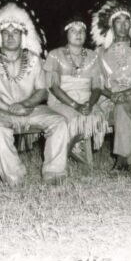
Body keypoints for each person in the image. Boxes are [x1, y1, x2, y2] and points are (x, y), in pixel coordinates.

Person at [0, 0, 70, 186]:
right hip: (0, 111)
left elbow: (42, 91)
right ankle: (14, 176)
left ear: (23, 36)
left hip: (30, 109)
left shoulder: (34, 59)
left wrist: (25, 104)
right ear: (0, 37)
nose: (11, 37)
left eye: (15, 32)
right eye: (6, 33)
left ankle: (54, 172)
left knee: (59, 121)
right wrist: (11, 108)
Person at [92, 0, 131, 173]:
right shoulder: (100, 53)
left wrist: (128, 92)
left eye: (127, 20)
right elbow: (96, 84)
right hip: (108, 102)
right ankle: (128, 162)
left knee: (123, 106)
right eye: (118, 21)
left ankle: (121, 162)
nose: (123, 25)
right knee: (119, 106)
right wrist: (111, 95)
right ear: (111, 25)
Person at [44, 15, 104, 165]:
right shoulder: (55, 55)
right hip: (61, 102)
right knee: (77, 119)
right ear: (66, 34)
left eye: (81, 30)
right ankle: (58, 160)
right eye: (73, 30)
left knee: (94, 117)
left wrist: (90, 104)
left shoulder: (93, 56)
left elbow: (97, 87)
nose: (78, 34)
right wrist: (75, 105)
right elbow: (53, 87)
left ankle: (67, 151)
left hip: (86, 101)